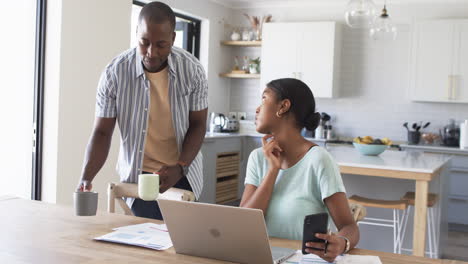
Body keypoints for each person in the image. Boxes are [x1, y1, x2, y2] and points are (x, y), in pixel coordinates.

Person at [76, 2, 208, 220]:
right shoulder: (114, 73)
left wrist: (181, 166)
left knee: (181, 244)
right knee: (143, 245)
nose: (151, 52)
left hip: (182, 171)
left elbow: (198, 124)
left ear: (173, 39)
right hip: (139, 176)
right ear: (136, 33)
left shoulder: (192, 70)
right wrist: (86, 177)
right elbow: (101, 132)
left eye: (161, 45)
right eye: (144, 42)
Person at [240, 78, 359, 262]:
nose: (257, 109)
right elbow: (245, 223)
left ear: (283, 106)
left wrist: (342, 243)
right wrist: (272, 171)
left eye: (264, 99)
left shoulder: (319, 160)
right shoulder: (257, 157)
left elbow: (349, 226)